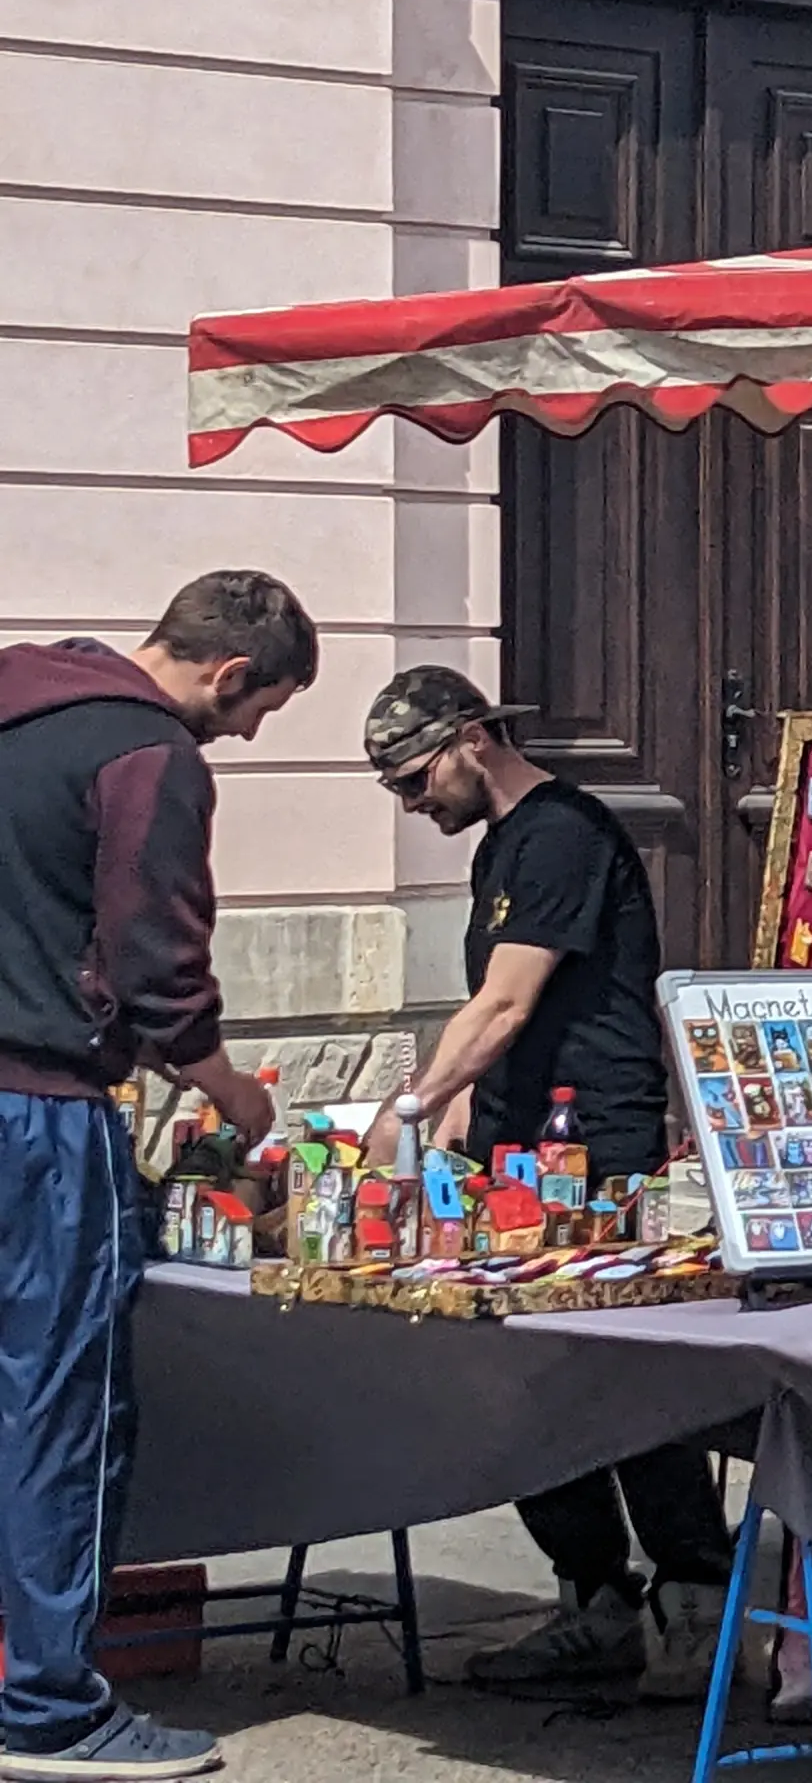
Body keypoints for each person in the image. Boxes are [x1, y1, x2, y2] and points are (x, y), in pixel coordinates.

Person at [364, 669, 728, 1701]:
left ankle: (693, 1598)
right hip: (524, 1143)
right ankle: (596, 1598)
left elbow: (506, 1006)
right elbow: (498, 1008)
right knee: (521, 1383)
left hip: (592, 1150)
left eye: (414, 778)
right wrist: (471, 1125)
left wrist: (410, 1109)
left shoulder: (563, 833)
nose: (411, 803)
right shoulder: (505, 847)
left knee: (614, 1374)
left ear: (473, 739)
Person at [0, 572, 307, 1783]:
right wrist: (230, 1090)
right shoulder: (148, 753)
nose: (244, 734)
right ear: (230, 676)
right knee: (58, 1406)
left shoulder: (18, 698)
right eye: (260, 712)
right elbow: (154, 957)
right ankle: (53, 1707)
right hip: (39, 1109)